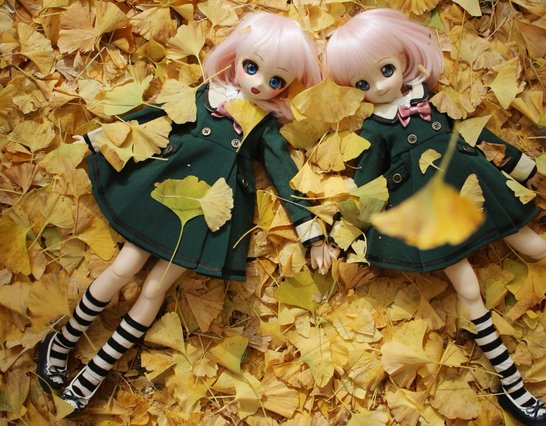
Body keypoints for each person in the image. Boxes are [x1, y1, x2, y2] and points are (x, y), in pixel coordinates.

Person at [325, 8, 546, 426]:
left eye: (386, 70)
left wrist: (519, 164)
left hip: (477, 184)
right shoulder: (374, 129)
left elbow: (477, 131)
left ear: (404, 56)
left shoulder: (433, 98)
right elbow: (367, 182)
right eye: (363, 84)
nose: (380, 86)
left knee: (536, 246)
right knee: (468, 286)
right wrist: (348, 228)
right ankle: (512, 385)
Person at [36, 12, 338, 415]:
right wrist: (101, 137)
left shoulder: (265, 126)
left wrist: (310, 233)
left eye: (275, 80)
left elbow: (285, 177)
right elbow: (154, 117)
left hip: (213, 210)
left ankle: (95, 373)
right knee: (124, 266)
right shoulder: (205, 93)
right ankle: (61, 342)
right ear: (235, 56)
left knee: (154, 289)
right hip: (169, 187)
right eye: (252, 67)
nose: (259, 84)